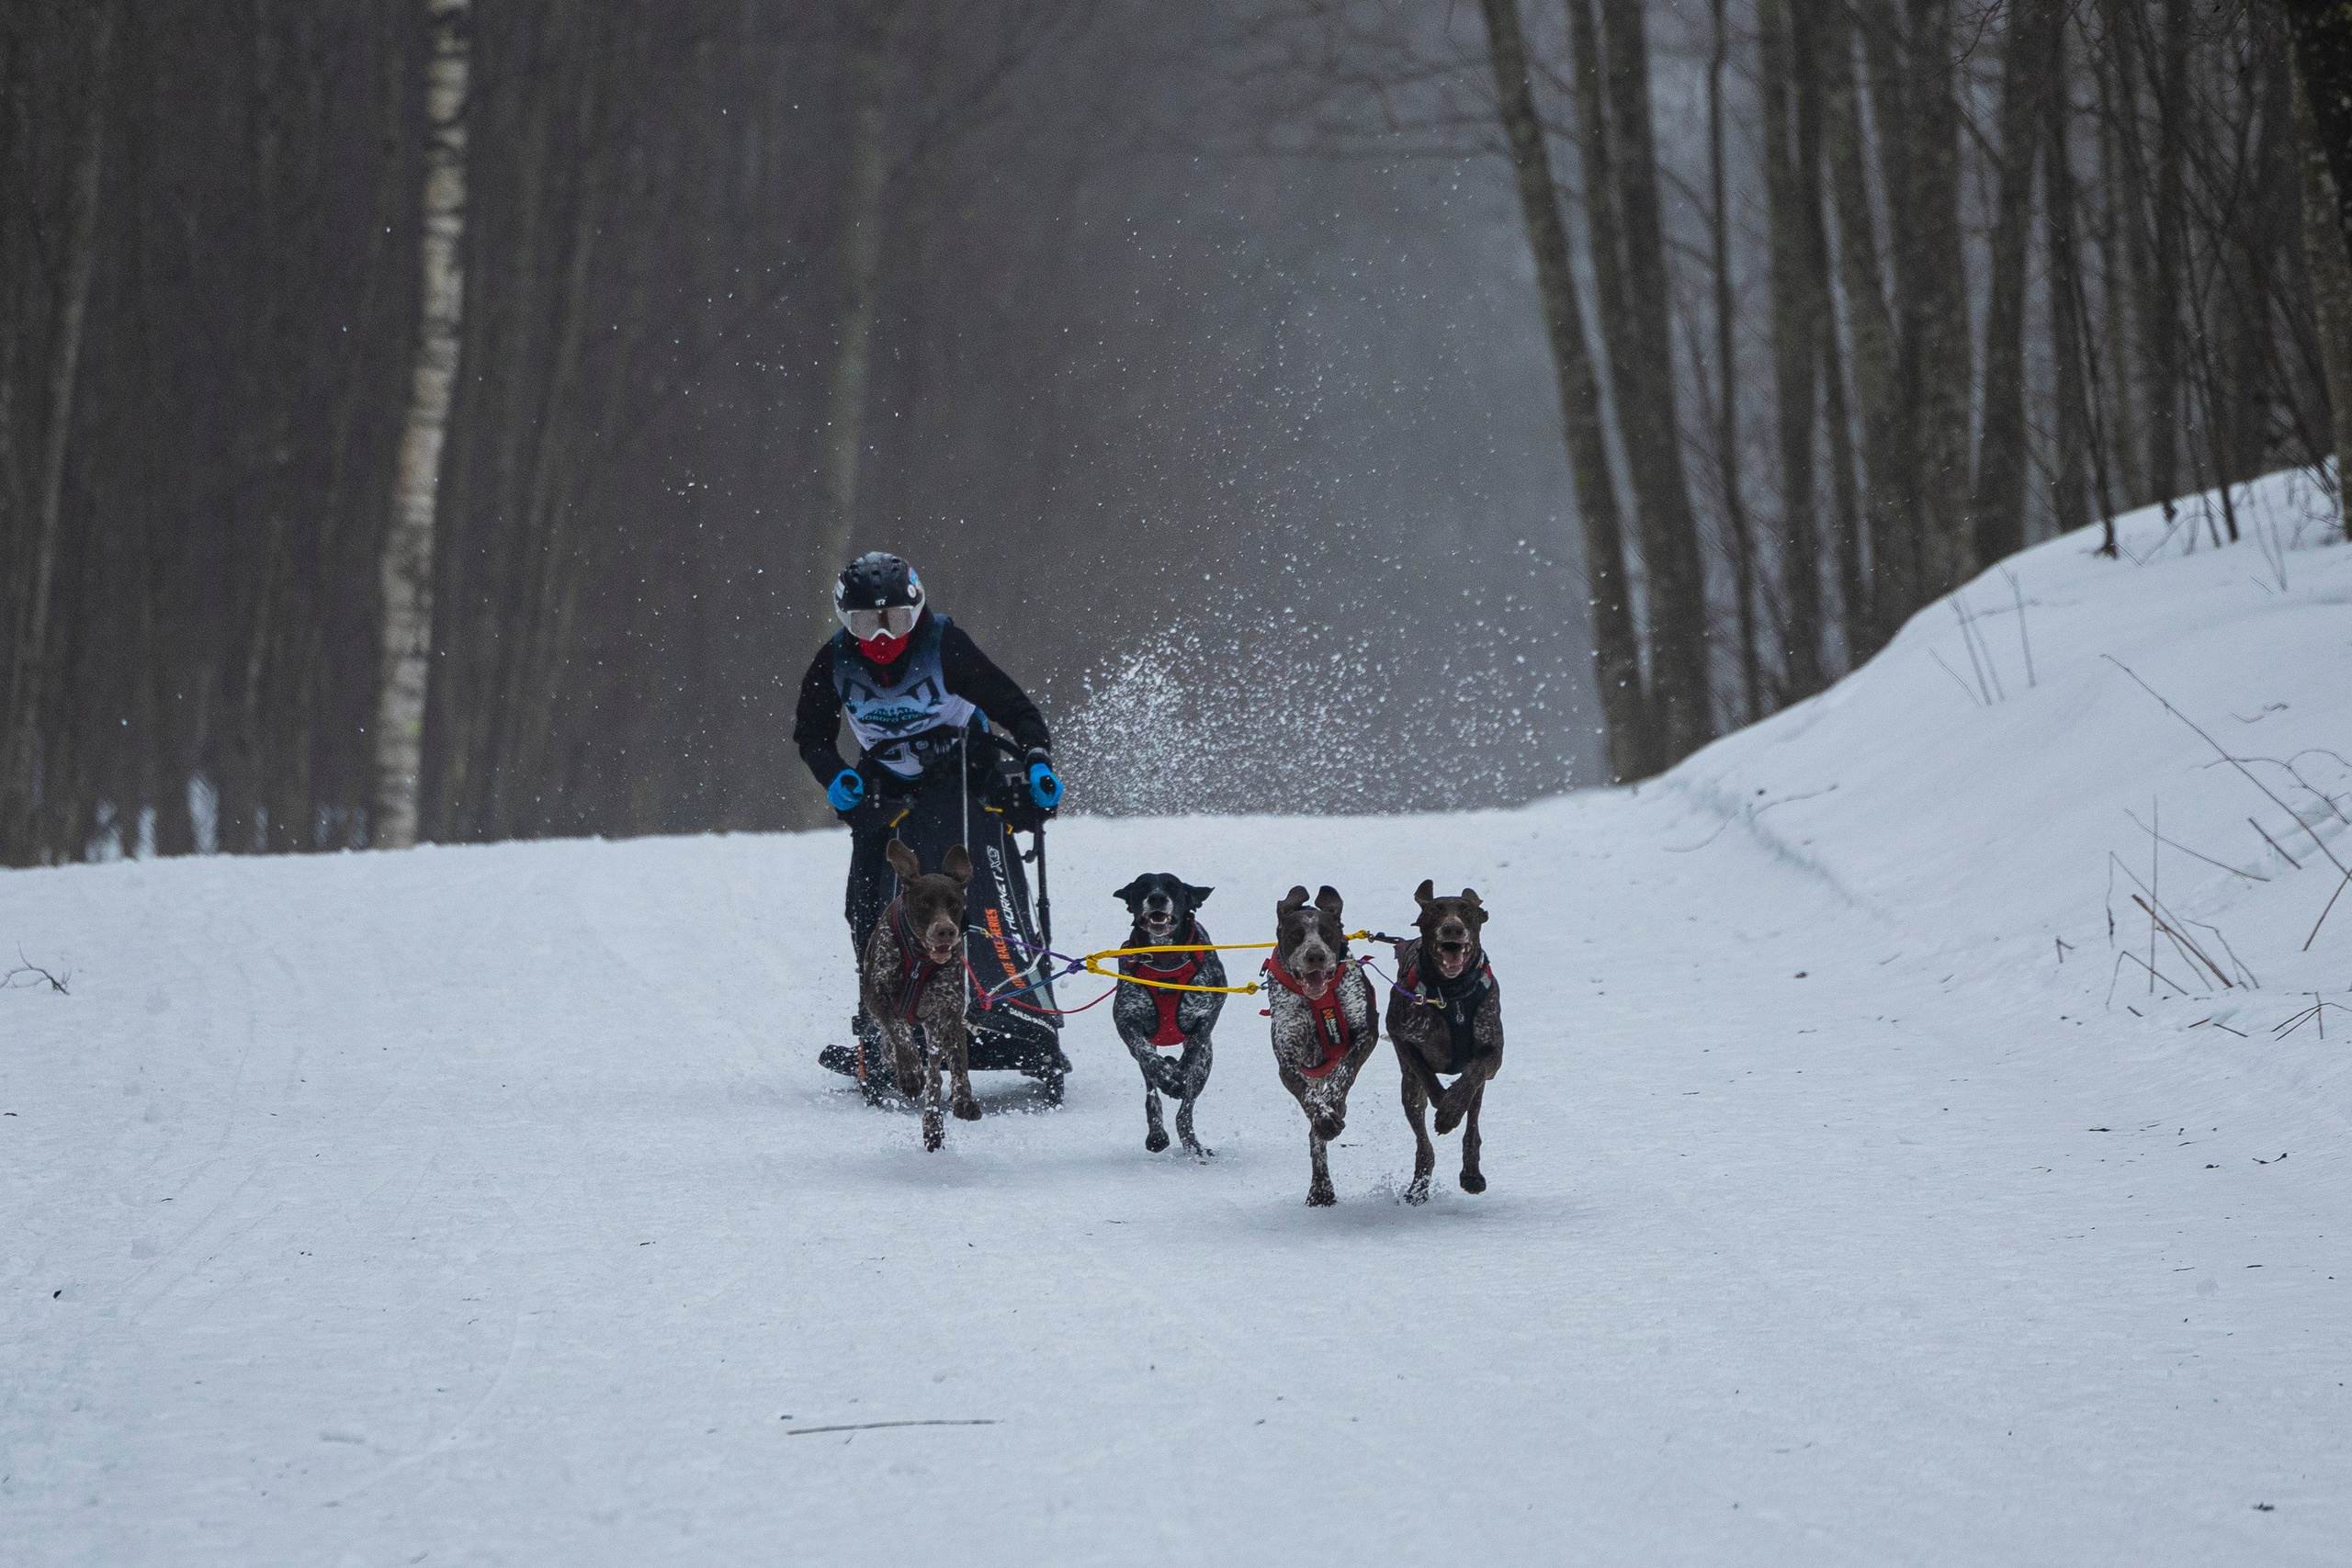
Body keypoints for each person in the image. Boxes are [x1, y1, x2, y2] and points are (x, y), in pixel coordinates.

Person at [794, 552, 1062, 1078]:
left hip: (963, 770)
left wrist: (1035, 759)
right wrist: (836, 777)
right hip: (886, 785)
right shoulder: (835, 662)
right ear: (846, 622)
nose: (881, 636)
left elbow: (1019, 711)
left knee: (966, 890)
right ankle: (884, 1023)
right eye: (865, 623)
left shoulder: (946, 646)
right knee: (867, 902)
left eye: (894, 619)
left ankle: (1008, 1006)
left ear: (916, 611)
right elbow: (811, 735)